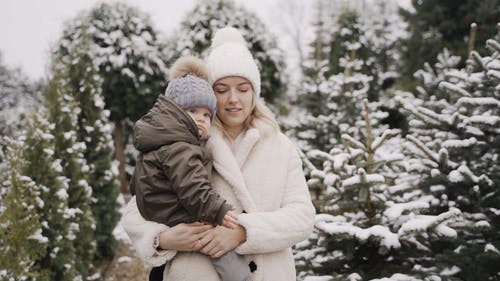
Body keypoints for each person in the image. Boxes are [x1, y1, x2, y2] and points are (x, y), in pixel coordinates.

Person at [122, 26, 316, 281]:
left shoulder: (279, 145)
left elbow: (302, 216)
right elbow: (137, 208)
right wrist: (163, 238)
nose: (233, 99)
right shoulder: (184, 140)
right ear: (209, 96)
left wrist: (244, 232)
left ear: (255, 93)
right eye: (222, 90)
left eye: (243, 89)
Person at [130, 55, 252, 281]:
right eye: (193, 111)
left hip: (164, 208)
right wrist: (219, 211)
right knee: (215, 245)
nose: (201, 119)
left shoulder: (162, 139)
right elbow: (193, 188)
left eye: (207, 114)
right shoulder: (181, 145)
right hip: (180, 216)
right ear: (174, 113)